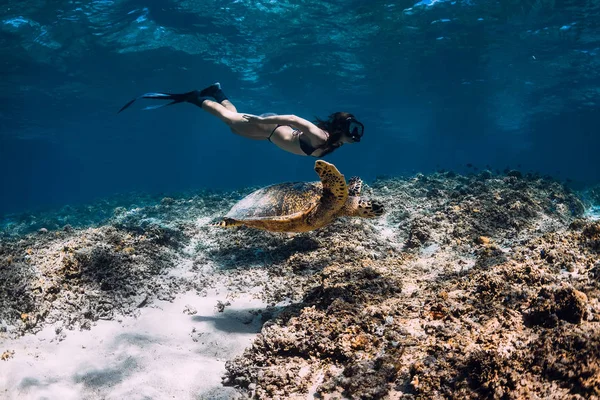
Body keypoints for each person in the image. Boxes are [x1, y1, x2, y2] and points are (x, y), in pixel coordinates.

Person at [118, 82, 364, 158]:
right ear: (340, 130)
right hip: (271, 126)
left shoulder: (336, 142)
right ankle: (193, 98)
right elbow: (293, 119)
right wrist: (259, 118)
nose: (355, 135)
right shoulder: (322, 137)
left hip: (270, 135)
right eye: (352, 130)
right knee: (228, 119)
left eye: (356, 131)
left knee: (234, 127)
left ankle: (216, 92)